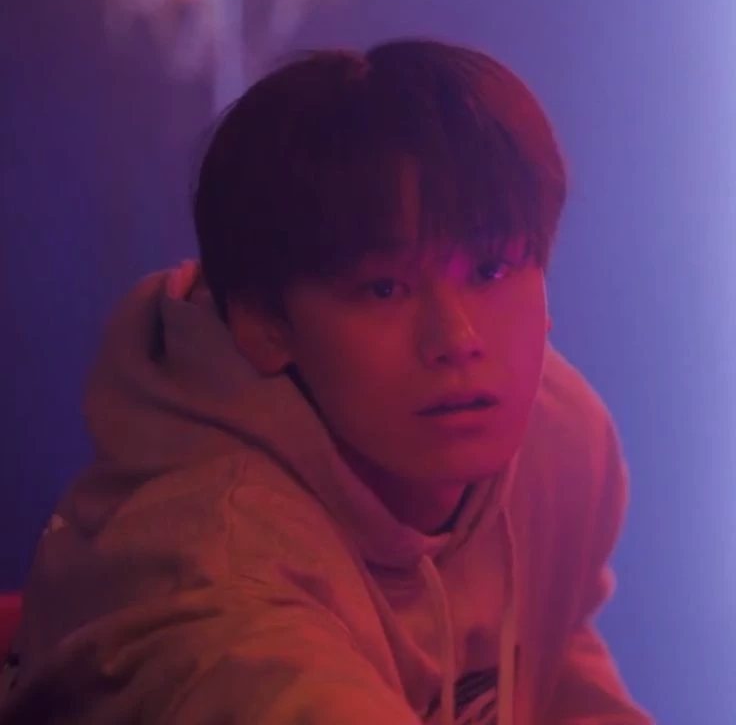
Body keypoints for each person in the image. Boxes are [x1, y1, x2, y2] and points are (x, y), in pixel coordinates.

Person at [0, 39, 653, 724]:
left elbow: (550, 652)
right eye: (384, 288)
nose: (458, 339)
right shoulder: (217, 580)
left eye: (490, 269)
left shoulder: (559, 440)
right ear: (264, 323)